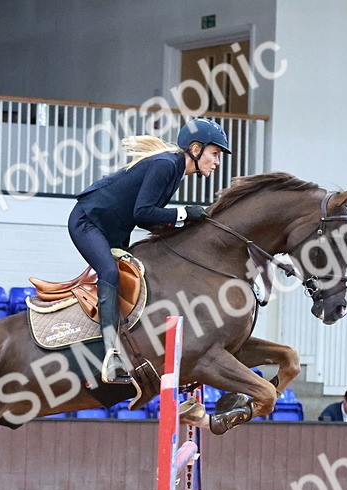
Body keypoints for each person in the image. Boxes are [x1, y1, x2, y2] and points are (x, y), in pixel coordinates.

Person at [69, 118, 231, 383]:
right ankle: (109, 354)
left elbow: (145, 218)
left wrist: (186, 219)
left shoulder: (174, 170)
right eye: (214, 154)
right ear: (195, 148)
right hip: (87, 221)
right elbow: (143, 213)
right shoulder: (165, 165)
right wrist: (185, 212)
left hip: (111, 231)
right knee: (109, 271)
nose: (217, 161)